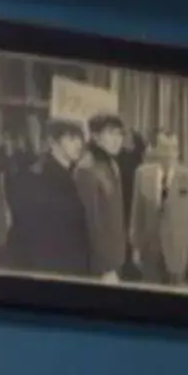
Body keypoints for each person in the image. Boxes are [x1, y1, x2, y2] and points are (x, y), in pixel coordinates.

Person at [0, 119, 90, 277]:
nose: (78, 144)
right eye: (71, 138)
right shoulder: (41, 177)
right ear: (53, 143)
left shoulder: (70, 175)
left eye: (80, 138)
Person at [127, 129, 188, 287]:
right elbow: (136, 214)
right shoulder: (142, 174)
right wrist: (136, 247)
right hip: (150, 254)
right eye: (164, 149)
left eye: (172, 149)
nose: (168, 154)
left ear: (178, 151)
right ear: (156, 151)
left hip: (179, 256)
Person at [71, 115, 128, 283]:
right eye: (111, 133)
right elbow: (91, 222)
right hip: (100, 266)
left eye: (120, 134)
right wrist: (104, 266)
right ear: (95, 136)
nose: (117, 139)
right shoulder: (87, 168)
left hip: (115, 258)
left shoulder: (112, 164)